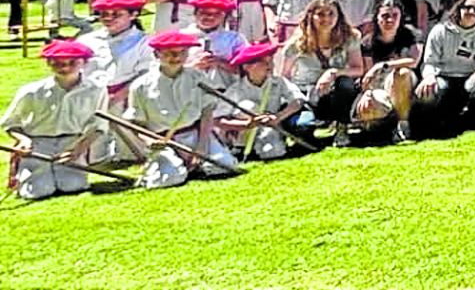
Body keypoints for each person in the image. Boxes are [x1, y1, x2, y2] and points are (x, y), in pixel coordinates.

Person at [128, 30, 239, 187]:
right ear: (156, 54)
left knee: (225, 166)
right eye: (169, 53)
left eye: (182, 53)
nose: (176, 58)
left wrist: (201, 147)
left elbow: (207, 113)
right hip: (164, 140)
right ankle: (173, 167)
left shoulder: (197, 77)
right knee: (169, 179)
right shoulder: (140, 86)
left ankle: (194, 164)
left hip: (195, 135)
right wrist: (150, 140)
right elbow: (136, 124)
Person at [2, 40, 107, 200]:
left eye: (72, 62)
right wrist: (23, 141)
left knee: (73, 186)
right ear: (48, 63)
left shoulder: (96, 90)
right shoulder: (31, 91)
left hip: (71, 142)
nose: (64, 67)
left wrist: (79, 149)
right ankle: (25, 175)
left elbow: (99, 126)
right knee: (38, 191)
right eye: (57, 63)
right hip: (38, 144)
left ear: (84, 63)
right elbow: (10, 123)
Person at [414, 0, 475, 136]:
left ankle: (472, 115)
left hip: (470, 78)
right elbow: (430, 61)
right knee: (430, 90)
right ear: (459, 8)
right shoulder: (441, 30)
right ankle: (427, 122)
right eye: (467, 7)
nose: (471, 12)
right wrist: (429, 77)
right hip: (444, 76)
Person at [279, 0, 364, 147]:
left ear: (338, 16)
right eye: (321, 14)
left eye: (331, 13)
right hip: (306, 96)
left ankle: (342, 127)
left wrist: (333, 72)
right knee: (303, 128)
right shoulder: (296, 44)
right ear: (311, 16)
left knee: (345, 83)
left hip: (334, 94)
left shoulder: (350, 37)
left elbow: (358, 69)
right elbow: (284, 77)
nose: (326, 19)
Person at [213, 42, 303, 160]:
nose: (270, 66)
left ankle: (264, 145)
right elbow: (217, 119)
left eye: (271, 61)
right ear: (247, 67)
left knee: (274, 152)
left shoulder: (278, 82)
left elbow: (298, 100)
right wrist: (246, 124)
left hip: (269, 127)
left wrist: (278, 117)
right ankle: (240, 148)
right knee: (247, 106)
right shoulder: (236, 89)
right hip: (243, 133)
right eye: (264, 62)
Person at [355, 0, 420, 143]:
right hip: (379, 85)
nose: (390, 20)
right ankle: (384, 125)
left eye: (395, 16)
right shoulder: (367, 42)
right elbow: (367, 75)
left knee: (401, 73)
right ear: (377, 18)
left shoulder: (410, 35)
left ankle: (403, 124)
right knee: (368, 108)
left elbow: (413, 61)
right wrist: (367, 94)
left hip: (406, 83)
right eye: (385, 16)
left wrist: (383, 65)